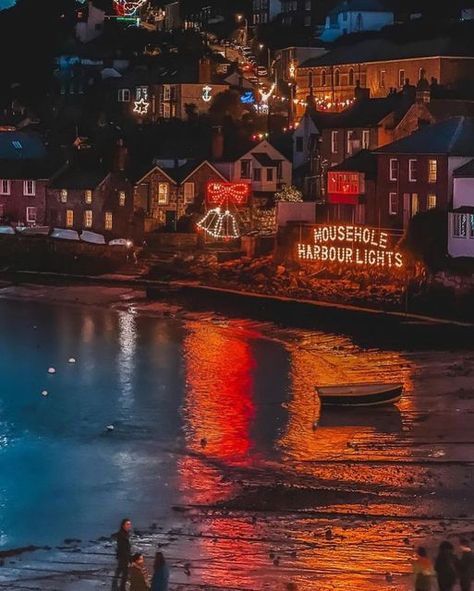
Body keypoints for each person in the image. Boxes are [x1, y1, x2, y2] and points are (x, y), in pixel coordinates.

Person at [113, 518, 132, 591]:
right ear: (123, 525)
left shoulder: (125, 534)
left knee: (121, 571)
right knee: (125, 573)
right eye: (127, 524)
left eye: (129, 524)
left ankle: (118, 586)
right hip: (124, 556)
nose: (129, 526)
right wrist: (128, 557)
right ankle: (121, 587)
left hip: (124, 556)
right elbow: (122, 547)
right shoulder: (122, 535)